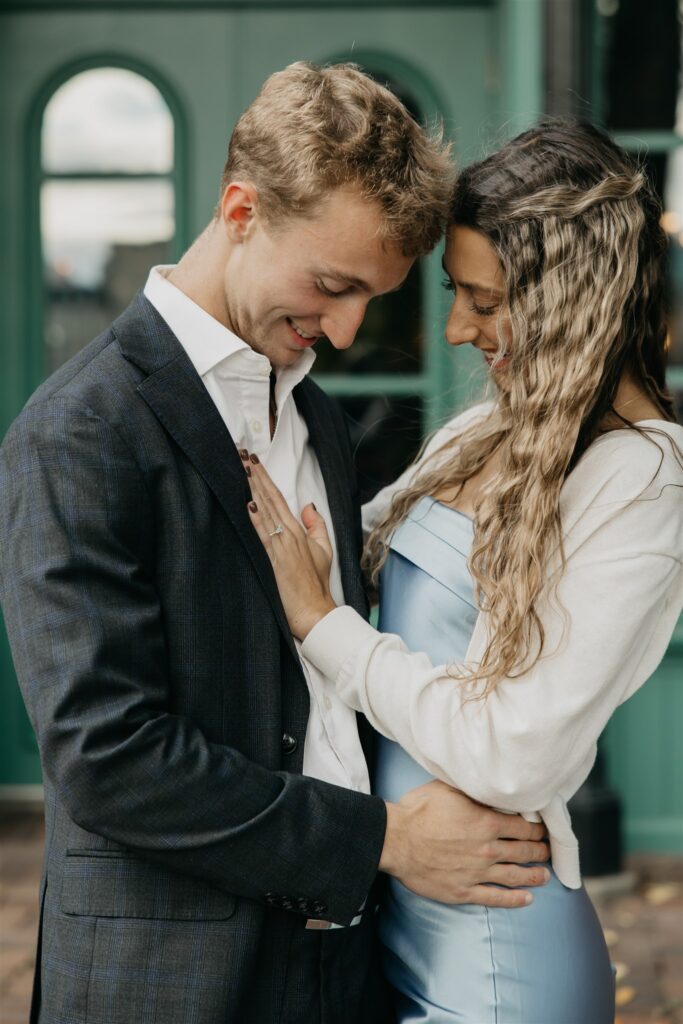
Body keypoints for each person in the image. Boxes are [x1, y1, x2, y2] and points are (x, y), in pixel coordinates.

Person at [0, 63, 551, 1024]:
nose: (346, 329)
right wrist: (384, 840)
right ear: (240, 210)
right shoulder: (79, 427)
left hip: (344, 965)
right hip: (168, 980)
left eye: (372, 298)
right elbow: (107, 755)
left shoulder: (318, 420)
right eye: (333, 286)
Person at [244, 118, 683, 1023]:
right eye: (456, 292)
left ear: (574, 299)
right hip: (398, 917)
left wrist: (325, 626)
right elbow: (336, 566)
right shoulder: (479, 433)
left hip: (497, 958)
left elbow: (513, 754)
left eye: (484, 301)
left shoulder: (644, 478)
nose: (454, 329)